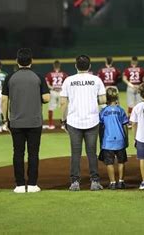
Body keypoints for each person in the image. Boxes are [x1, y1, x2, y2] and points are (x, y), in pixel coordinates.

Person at [1, 48, 50, 193]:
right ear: (31, 61)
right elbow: (46, 98)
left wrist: (5, 120)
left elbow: (4, 100)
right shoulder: (38, 76)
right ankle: (33, 184)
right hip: (34, 121)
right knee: (33, 154)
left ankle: (20, 185)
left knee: (18, 153)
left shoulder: (10, 77)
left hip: (16, 122)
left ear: (17, 61)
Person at [60, 55, 106, 192]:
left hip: (74, 121)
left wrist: (63, 120)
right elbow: (103, 100)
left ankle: (75, 182)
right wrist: (92, 101)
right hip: (92, 120)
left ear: (76, 66)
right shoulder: (96, 79)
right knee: (92, 153)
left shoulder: (69, 80)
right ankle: (95, 182)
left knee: (75, 153)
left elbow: (63, 102)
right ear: (89, 66)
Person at [99, 88, 129, 190]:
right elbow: (125, 126)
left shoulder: (103, 112)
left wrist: (101, 141)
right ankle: (121, 182)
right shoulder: (121, 110)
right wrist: (126, 139)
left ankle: (112, 183)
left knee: (109, 163)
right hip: (120, 139)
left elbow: (101, 128)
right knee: (121, 162)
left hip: (108, 141)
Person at [44, 60, 69, 130]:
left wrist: (53, 87)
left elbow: (47, 84)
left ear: (53, 66)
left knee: (51, 108)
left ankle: (50, 125)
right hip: (61, 92)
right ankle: (64, 125)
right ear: (59, 66)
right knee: (64, 108)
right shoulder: (64, 74)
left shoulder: (50, 74)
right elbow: (67, 83)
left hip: (53, 92)